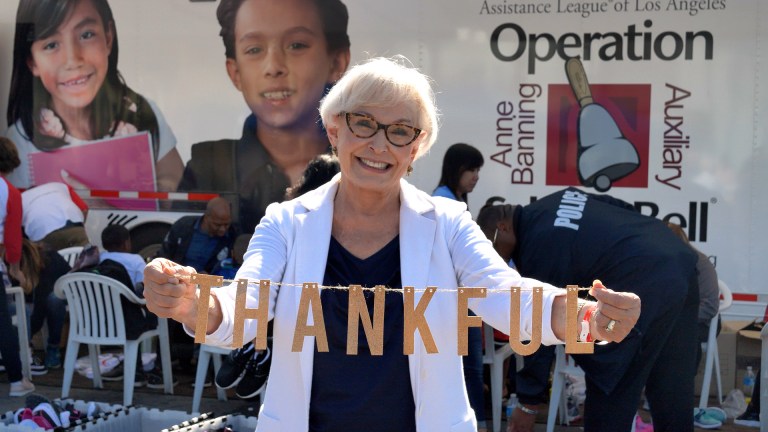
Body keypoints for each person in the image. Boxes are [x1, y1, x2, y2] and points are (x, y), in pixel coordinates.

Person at [143, 57, 640, 432]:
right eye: (364, 123)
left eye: (400, 131)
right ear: (335, 131)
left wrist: (590, 319)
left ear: (417, 148)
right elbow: (245, 308)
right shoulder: (287, 222)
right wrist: (192, 303)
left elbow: (507, 298)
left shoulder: (447, 223)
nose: (379, 145)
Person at [476, 190, 699, 432]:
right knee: (672, 387)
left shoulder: (537, 244)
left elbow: (537, 332)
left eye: (492, 249)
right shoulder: (559, 198)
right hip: (677, 258)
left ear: (503, 227)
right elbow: (620, 206)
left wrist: (528, 404)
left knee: (610, 386)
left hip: (641, 283)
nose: (496, 259)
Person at [177, 0, 351, 233]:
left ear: (337, 62)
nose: (273, 67)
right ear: (235, 72)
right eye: (254, 50)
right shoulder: (206, 169)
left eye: (296, 45)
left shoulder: (358, 166)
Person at [6, 0, 184, 193]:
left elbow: (177, 186)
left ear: (108, 38)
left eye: (86, 35)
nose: (73, 60)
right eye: (51, 45)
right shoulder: (20, 142)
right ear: (32, 62)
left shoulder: (143, 112)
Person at [432, 142, 487, 431]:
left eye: (478, 170)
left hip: (461, 301)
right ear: (456, 170)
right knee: (468, 371)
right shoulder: (444, 203)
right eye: (471, 169)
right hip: (452, 304)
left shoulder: (453, 200)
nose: (476, 176)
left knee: (469, 370)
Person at [0, 137, 35, 397]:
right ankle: (16, 381)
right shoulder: (10, 192)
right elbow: (13, 240)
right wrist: (14, 267)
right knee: (3, 323)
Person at [18, 239, 71, 371]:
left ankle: (54, 347)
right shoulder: (25, 261)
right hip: (41, 295)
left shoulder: (47, 259)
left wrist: (25, 335)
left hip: (67, 294)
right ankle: (22, 347)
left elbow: (39, 309)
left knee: (53, 300)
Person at [158, 197, 237, 274]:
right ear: (206, 217)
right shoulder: (183, 226)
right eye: (217, 225)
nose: (223, 229)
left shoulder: (231, 236)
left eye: (226, 224)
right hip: (177, 277)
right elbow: (164, 253)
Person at [22, 182, 90, 251]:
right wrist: (79, 228)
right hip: (73, 227)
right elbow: (84, 209)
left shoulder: (21, 197)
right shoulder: (60, 186)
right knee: (88, 256)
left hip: (43, 236)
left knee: (46, 259)